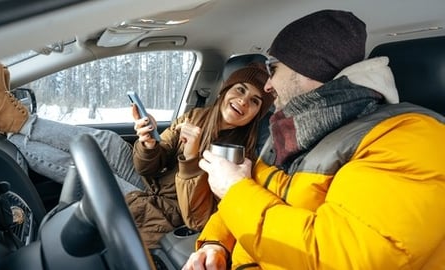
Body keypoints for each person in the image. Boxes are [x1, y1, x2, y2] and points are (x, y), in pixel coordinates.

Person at [182, 9, 445, 270]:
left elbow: (343, 258)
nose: (268, 87)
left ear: (306, 68)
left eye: (273, 69)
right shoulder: (290, 128)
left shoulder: (410, 137)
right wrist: (216, 244)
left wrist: (234, 191)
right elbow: (255, 196)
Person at [0, 62, 274, 248]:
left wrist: (191, 161)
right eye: (241, 90)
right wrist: (148, 144)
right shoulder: (194, 117)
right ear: (226, 90)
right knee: (108, 141)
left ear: (256, 115)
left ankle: (8, 129)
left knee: (87, 169)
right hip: (148, 179)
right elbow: (149, 165)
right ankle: (11, 122)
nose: (243, 101)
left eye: (255, 101)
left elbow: (197, 219)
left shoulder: (240, 156)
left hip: (165, 208)